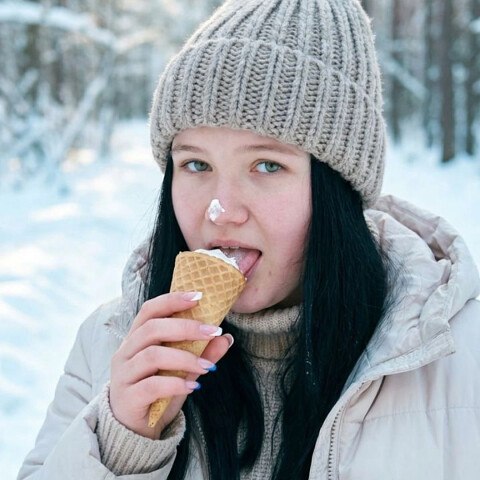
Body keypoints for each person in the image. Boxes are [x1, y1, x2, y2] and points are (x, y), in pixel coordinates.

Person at [18, 0, 480, 478]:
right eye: (196, 164)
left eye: (267, 165)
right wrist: (123, 444)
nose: (220, 209)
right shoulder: (107, 345)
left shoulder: (461, 361)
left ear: (336, 189)